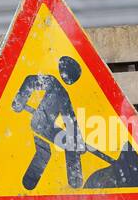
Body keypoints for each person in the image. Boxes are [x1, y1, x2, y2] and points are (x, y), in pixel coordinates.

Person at [11, 55, 86, 190]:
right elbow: (29, 81)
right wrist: (19, 101)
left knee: (48, 153)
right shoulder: (52, 82)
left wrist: (78, 141)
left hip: (44, 125)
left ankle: (29, 183)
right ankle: (75, 181)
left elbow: (70, 121)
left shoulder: (64, 95)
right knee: (70, 147)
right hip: (40, 122)